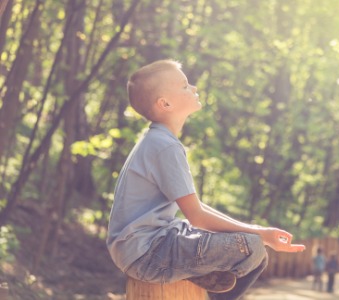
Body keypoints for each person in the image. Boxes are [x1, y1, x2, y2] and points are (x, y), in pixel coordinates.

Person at [106, 59, 305, 300]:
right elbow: (197, 217)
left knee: (255, 249)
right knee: (251, 248)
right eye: (184, 85)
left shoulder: (160, 141)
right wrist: (261, 234)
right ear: (165, 103)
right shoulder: (163, 146)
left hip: (151, 245)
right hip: (147, 253)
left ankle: (198, 277)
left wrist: (260, 231)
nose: (194, 88)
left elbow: (195, 208)